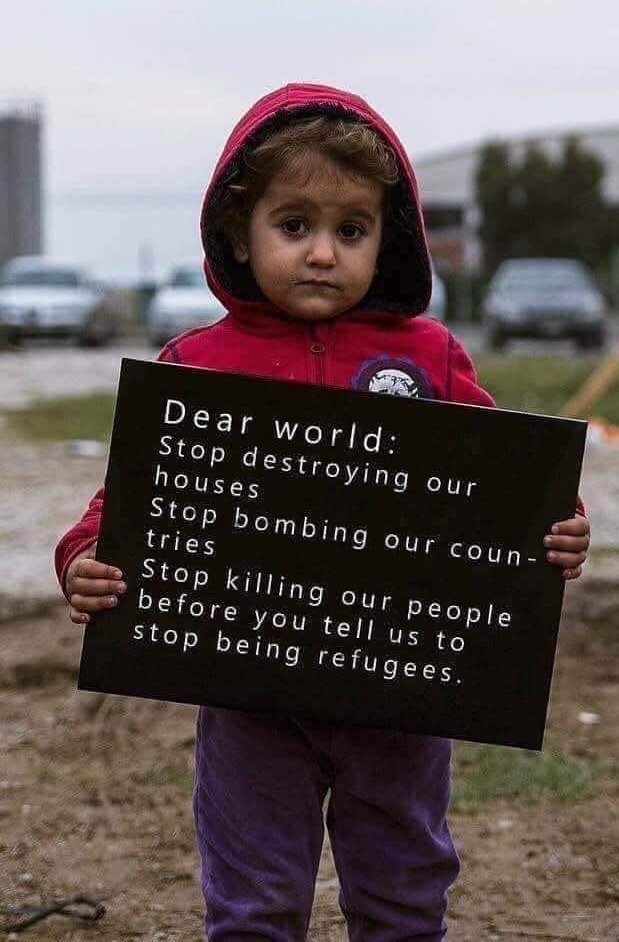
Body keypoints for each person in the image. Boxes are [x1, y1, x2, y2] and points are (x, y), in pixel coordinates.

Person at [55, 83, 590, 941]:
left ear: (391, 237)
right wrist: (86, 554)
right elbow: (126, 504)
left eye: (351, 230)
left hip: (402, 693)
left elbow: (505, 484)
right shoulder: (200, 363)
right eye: (293, 224)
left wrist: (555, 526)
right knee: (254, 900)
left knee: (405, 893)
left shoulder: (430, 357)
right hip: (247, 696)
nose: (321, 254)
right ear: (239, 228)